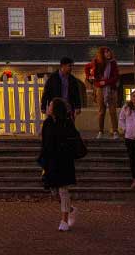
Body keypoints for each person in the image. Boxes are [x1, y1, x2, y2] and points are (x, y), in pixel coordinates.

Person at [38, 97, 83, 232]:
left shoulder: (66, 123)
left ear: (55, 108)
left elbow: (72, 139)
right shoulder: (47, 123)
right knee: (53, 191)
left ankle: (64, 220)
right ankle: (70, 209)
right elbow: (44, 143)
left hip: (63, 160)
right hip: (51, 160)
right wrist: (43, 160)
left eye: (50, 105)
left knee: (63, 190)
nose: (48, 108)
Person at [87, 47, 119, 138]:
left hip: (111, 89)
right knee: (101, 111)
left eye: (109, 51)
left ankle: (115, 131)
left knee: (112, 111)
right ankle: (100, 131)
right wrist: (90, 77)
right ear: (102, 54)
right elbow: (87, 68)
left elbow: (116, 76)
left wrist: (106, 82)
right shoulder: (97, 63)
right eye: (105, 52)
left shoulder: (113, 63)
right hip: (100, 89)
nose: (108, 54)